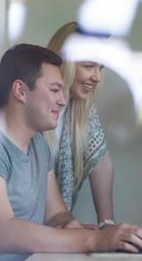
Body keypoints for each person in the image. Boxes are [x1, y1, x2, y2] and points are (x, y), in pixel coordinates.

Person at [0, 44, 142, 261]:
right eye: (55, 90)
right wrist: (95, 239)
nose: (63, 101)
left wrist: (70, 225)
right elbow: (1, 231)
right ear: (21, 91)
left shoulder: (37, 144)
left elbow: (55, 213)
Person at [46, 21, 115, 228]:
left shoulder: (83, 112)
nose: (97, 77)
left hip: (54, 235)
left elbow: (102, 163)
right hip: (21, 241)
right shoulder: (30, 110)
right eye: (88, 66)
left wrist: (108, 228)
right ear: (62, 62)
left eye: (100, 68)